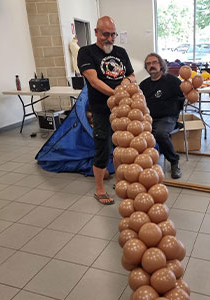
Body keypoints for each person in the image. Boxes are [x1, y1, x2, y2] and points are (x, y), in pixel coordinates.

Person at [78, 16, 135, 205]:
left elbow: (131, 75)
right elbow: (94, 81)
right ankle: (99, 189)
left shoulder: (121, 52)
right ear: (96, 32)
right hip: (102, 109)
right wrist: (117, 94)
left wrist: (125, 85)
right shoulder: (86, 53)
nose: (110, 38)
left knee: (122, 146)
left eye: (113, 35)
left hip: (123, 108)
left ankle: (118, 181)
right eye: (105, 34)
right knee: (102, 146)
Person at [140, 53, 184, 179]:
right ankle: (144, 164)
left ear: (161, 65)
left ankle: (174, 161)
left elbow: (186, 96)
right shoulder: (143, 85)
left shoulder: (172, 81)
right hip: (149, 119)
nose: (151, 66)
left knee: (160, 134)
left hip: (168, 117)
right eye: (148, 64)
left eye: (154, 63)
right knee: (136, 134)